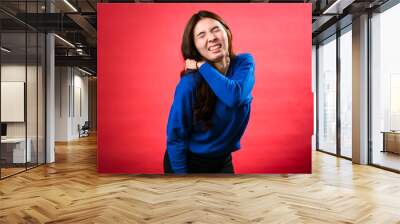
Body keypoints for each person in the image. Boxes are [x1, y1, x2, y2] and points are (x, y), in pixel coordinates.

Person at [164, 10, 255, 174]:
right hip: (189, 162)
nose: (211, 37)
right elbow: (175, 137)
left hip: (223, 160)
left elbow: (234, 96)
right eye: (201, 35)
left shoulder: (244, 63)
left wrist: (202, 66)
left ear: (227, 32)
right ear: (195, 47)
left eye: (215, 29)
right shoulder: (190, 83)